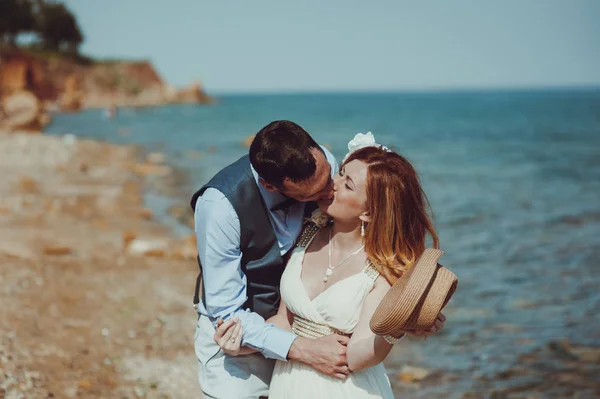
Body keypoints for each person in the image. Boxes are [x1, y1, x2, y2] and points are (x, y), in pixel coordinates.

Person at [214, 133, 445, 398]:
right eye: (341, 172)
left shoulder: (379, 270)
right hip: (288, 384)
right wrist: (243, 343)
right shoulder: (307, 233)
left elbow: (357, 357)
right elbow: (285, 321)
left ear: (368, 212)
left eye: (347, 185)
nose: (332, 183)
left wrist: (396, 327)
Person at [191, 120, 346, 399]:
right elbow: (227, 315)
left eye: (328, 179)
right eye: (315, 195)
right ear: (270, 186)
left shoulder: (325, 166)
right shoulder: (219, 207)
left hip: (306, 333)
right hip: (238, 350)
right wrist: (302, 349)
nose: (330, 193)